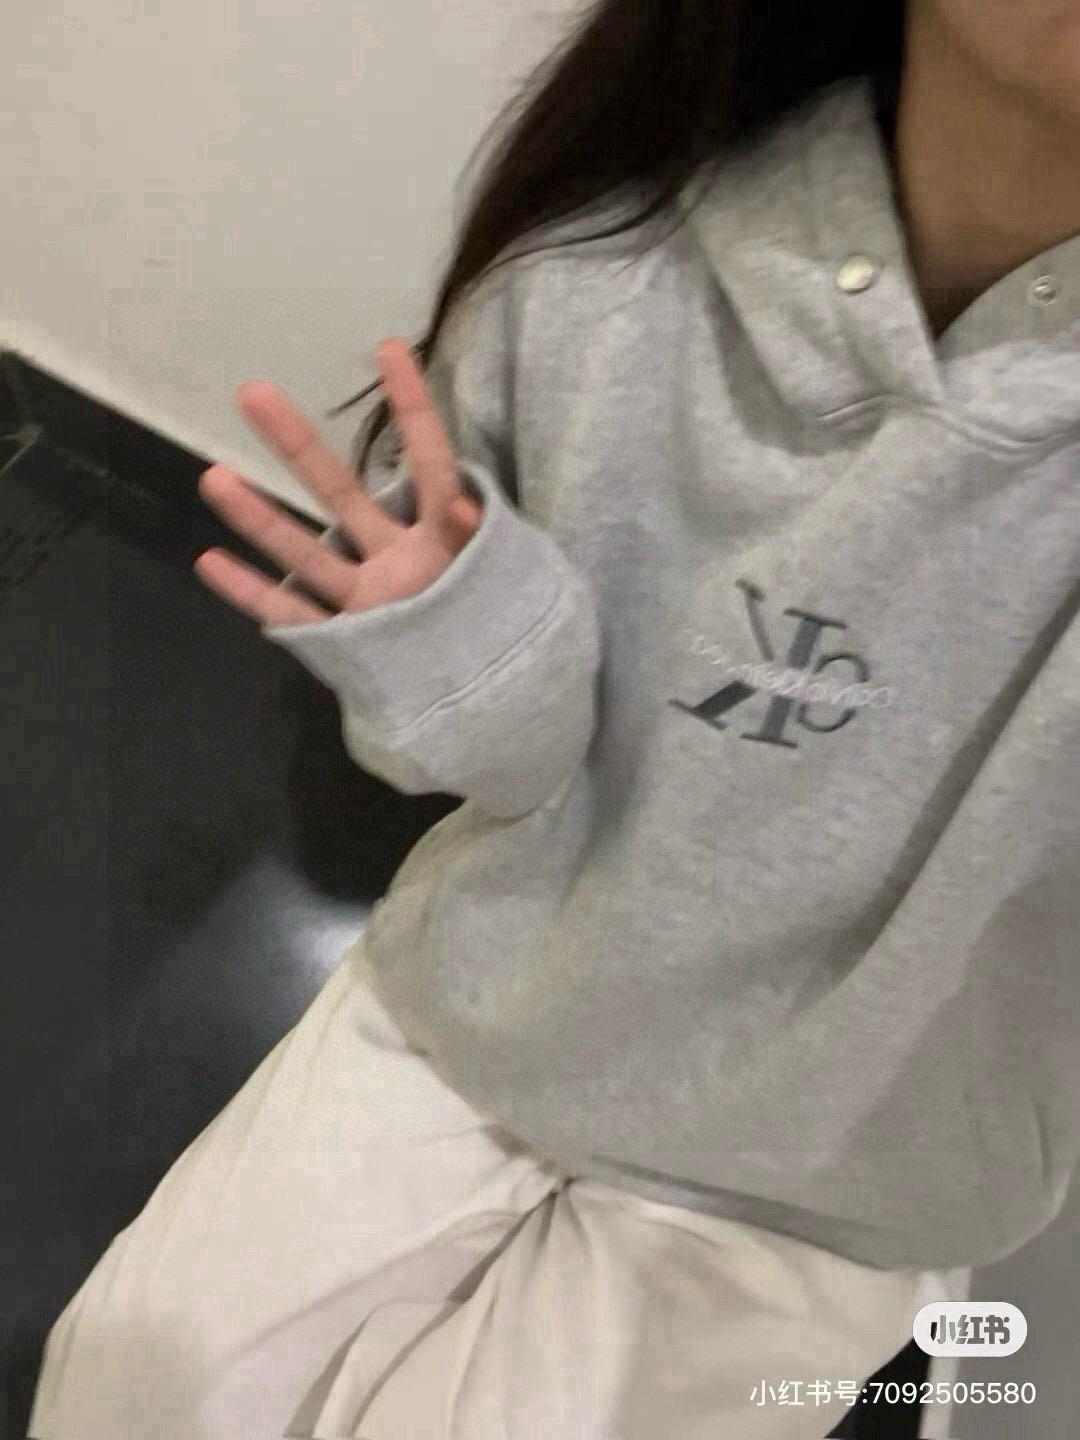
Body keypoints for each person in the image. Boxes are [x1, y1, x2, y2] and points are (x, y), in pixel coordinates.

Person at [29, 0, 1079, 1436]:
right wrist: (453, 646)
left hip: (828, 1181)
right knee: (122, 1394)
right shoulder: (597, 279)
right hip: (483, 1009)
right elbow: (501, 766)